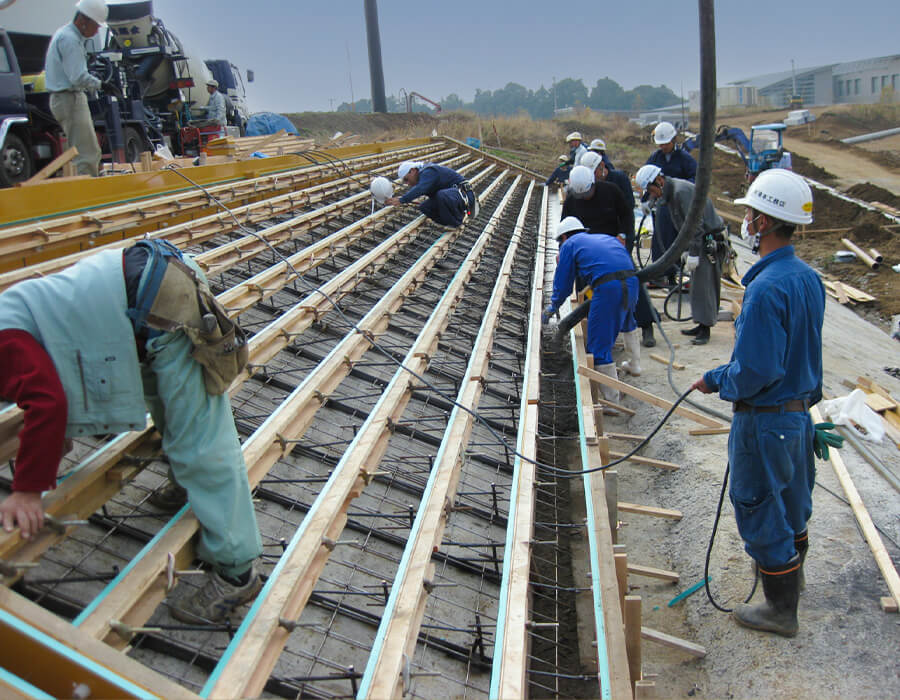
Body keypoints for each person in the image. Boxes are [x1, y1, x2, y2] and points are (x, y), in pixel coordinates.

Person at [0, 240, 263, 624]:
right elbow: (51, 376)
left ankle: (237, 572)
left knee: (201, 439)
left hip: (156, 299)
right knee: (169, 408)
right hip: (144, 293)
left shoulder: (2, 342)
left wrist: (26, 491)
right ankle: (186, 486)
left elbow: (48, 403)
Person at [690, 169, 825, 638]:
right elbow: (809, 350)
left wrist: (713, 379)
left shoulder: (766, 288)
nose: (744, 220)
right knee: (792, 502)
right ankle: (792, 579)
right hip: (797, 418)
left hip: (765, 422)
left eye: (750, 213)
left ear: (765, 222)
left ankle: (780, 610)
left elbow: (756, 371)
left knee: (758, 505)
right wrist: (810, 404)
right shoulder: (807, 277)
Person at [542, 216, 639, 410]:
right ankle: (635, 365)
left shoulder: (569, 244)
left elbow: (563, 284)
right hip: (632, 281)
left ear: (564, 237)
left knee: (597, 346)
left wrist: (552, 308)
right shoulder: (605, 238)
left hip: (609, 288)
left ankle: (612, 402)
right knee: (627, 321)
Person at [635, 164, 728, 346]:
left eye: (651, 189)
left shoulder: (681, 192)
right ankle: (701, 323)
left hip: (707, 240)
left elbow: (695, 225)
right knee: (698, 287)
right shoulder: (670, 193)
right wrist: (649, 204)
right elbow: (682, 225)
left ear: (659, 181)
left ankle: (705, 329)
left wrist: (692, 252)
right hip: (697, 242)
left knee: (705, 285)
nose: (652, 193)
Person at [580, 152, 657, 350]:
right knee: (590, 285)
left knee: (631, 280)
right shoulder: (585, 187)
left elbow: (627, 213)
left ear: (602, 167)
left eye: (595, 173)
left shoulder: (618, 181)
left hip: (618, 241)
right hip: (597, 245)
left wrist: (623, 237)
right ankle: (597, 328)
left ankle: (647, 325)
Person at [44, 0, 107, 177]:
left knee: (85, 149)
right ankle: (88, 196)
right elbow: (78, 76)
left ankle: (85, 187)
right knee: (87, 153)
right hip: (69, 98)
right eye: (95, 26)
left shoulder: (66, 35)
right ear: (83, 20)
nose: (96, 31)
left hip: (66, 97)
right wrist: (102, 85)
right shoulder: (70, 40)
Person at [644, 121, 697, 286]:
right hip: (661, 205)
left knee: (678, 239)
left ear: (673, 140)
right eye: (660, 144)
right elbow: (648, 178)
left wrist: (679, 188)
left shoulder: (685, 159)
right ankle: (659, 273)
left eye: (665, 143)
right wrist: (646, 200)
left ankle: (676, 273)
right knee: (660, 238)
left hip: (679, 204)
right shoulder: (655, 158)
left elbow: (695, 179)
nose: (663, 147)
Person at [384, 161, 477, 227]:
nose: (407, 183)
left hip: (465, 195)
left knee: (441, 195)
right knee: (424, 207)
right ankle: (448, 222)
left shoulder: (428, 171)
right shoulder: (424, 176)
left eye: (406, 179)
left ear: (412, 170)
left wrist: (402, 200)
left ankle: (457, 222)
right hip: (452, 197)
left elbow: (420, 188)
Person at [562, 165, 632, 249]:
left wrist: (622, 235)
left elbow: (626, 215)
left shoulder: (611, 191)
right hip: (584, 246)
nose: (584, 197)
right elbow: (564, 228)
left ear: (593, 183)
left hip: (611, 243)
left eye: (587, 193)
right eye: (580, 195)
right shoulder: (570, 201)